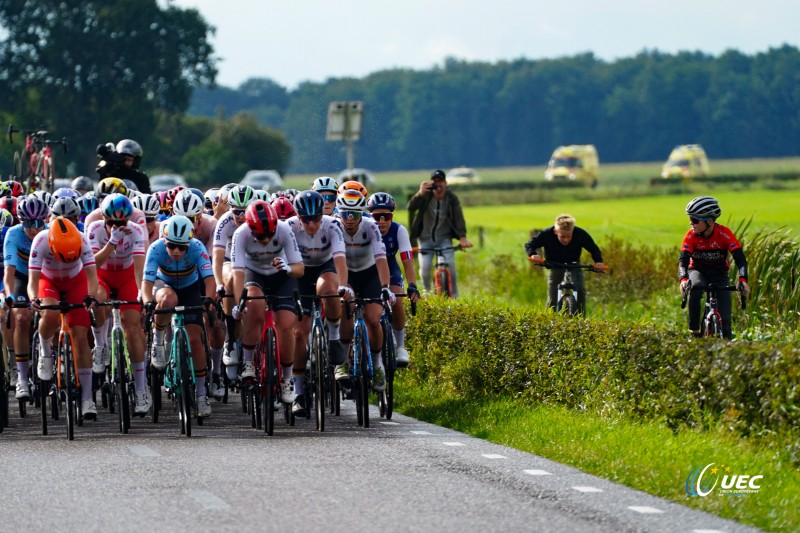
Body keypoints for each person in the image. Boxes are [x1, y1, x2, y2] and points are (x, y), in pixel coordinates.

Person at [230, 200, 304, 406]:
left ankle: (287, 379)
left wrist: (288, 269)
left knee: (287, 326)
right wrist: (239, 304)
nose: (265, 239)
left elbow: (300, 268)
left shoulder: (284, 229)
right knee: (253, 306)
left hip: (282, 275)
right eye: (260, 236)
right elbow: (237, 273)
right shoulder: (241, 234)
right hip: (255, 275)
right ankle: (247, 362)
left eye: (269, 235)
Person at [141, 216, 216, 417]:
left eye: (182, 248)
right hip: (164, 285)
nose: (176, 251)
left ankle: (201, 395)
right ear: (165, 241)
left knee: (194, 339)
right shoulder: (155, 248)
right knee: (167, 300)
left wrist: (208, 300)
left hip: (189, 288)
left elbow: (209, 280)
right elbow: (147, 284)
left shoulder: (197, 247)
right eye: (172, 246)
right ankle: (158, 341)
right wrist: (149, 303)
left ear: (188, 244)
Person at [28, 217, 100, 420]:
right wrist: (34, 299)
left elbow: (92, 277)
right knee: (49, 314)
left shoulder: (83, 240)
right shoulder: (41, 240)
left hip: (76, 282)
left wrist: (91, 296)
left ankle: (87, 398)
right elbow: (33, 280)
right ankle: (45, 352)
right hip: (48, 280)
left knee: (80, 336)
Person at [286, 190, 349, 416]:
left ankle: (333, 339)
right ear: (298, 216)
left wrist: (344, 285)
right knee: (298, 334)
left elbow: (340, 258)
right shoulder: (289, 227)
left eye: (316, 218)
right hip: (300, 274)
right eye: (306, 219)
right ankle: (299, 393)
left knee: (330, 290)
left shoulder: (332, 226)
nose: (311, 224)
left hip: (325, 268)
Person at [86, 193, 150, 414]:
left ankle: (141, 390)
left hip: (126, 276)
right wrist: (112, 242)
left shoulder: (136, 230)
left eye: (121, 222)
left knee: (132, 327)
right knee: (98, 299)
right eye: (112, 222)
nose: (117, 226)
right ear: (104, 219)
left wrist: (142, 291)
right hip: (102, 275)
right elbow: (92, 264)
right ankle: (100, 346)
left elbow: (140, 268)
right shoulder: (94, 229)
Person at [336, 190, 394, 392]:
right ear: (338, 212)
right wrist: (342, 286)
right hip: (346, 275)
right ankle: (342, 360)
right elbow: (338, 259)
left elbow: (381, 258)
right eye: (345, 214)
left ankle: (377, 365)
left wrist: (386, 287)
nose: (349, 219)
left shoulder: (370, 226)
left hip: (369, 274)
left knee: (373, 317)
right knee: (345, 307)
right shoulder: (334, 226)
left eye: (355, 214)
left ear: (362, 213)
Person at [679, 196, 749, 339]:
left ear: (710, 221)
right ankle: (694, 330)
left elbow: (740, 259)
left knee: (726, 322)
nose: (691, 223)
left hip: (719, 274)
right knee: (696, 286)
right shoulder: (691, 236)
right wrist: (683, 279)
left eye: (694, 220)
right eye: (690, 219)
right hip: (697, 271)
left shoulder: (724, 234)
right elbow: (683, 260)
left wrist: (742, 279)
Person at [366, 192, 419, 367]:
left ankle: (400, 347)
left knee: (396, 299)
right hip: (368, 269)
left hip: (389, 267)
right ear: (369, 216)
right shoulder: (365, 229)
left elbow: (407, 261)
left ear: (392, 216)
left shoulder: (399, 230)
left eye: (386, 216)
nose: (382, 221)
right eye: (376, 216)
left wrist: (412, 285)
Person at [407, 169, 473, 298]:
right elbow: (411, 207)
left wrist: (462, 238)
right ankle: (427, 294)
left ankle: (454, 296)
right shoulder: (425, 196)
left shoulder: (451, 198)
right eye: (435, 182)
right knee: (425, 269)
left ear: (446, 183)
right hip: (425, 239)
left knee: (451, 267)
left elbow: (458, 217)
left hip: (444, 239)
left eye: (441, 181)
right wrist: (419, 194)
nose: (438, 185)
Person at [524, 214, 605, 314]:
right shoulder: (547, 234)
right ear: (555, 232)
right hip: (555, 264)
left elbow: (593, 248)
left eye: (569, 236)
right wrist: (533, 254)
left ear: (573, 231)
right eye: (562, 236)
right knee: (553, 296)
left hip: (574, 264)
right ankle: (549, 320)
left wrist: (598, 262)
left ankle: (581, 320)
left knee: (580, 290)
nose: (566, 240)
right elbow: (530, 245)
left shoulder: (580, 234)